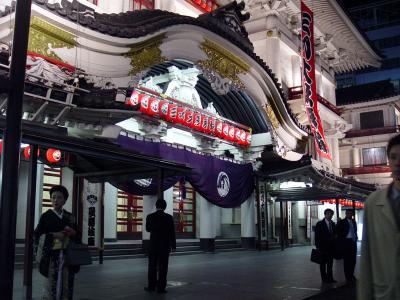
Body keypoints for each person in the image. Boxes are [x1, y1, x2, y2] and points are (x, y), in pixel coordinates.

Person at [358, 134, 400, 300]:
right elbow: (366, 257)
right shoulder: (373, 203)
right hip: (384, 292)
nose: (398, 162)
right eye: (393, 157)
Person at [34, 185, 80, 300]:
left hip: (68, 257)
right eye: (53, 197)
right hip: (51, 257)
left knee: (67, 285)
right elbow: (37, 235)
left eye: (59, 197)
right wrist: (54, 235)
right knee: (51, 286)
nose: (55, 200)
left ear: (65, 200)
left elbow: (78, 235)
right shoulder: (46, 216)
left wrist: (73, 232)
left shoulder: (70, 217)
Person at [144, 199, 176, 294]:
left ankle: (151, 286)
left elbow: (148, 229)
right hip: (165, 246)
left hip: (153, 245)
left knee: (152, 266)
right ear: (165, 207)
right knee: (163, 267)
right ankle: (161, 288)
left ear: (156, 206)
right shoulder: (169, 218)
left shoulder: (150, 217)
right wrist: (173, 245)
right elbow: (172, 233)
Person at [315, 208, 337, 283]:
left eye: (331, 214)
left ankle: (330, 278)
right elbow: (317, 236)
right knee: (323, 264)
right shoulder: (320, 224)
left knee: (330, 264)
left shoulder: (333, 224)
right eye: (328, 214)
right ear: (325, 214)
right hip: (323, 247)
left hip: (331, 248)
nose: (330, 215)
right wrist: (318, 247)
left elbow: (335, 234)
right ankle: (324, 279)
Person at [337, 209, 358, 282]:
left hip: (353, 242)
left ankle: (351, 274)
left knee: (353, 260)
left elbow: (355, 231)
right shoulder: (342, 222)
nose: (349, 215)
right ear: (345, 214)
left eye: (350, 213)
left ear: (352, 214)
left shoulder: (354, 221)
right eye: (348, 213)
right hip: (346, 242)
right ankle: (347, 276)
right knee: (347, 260)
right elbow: (339, 232)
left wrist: (356, 238)